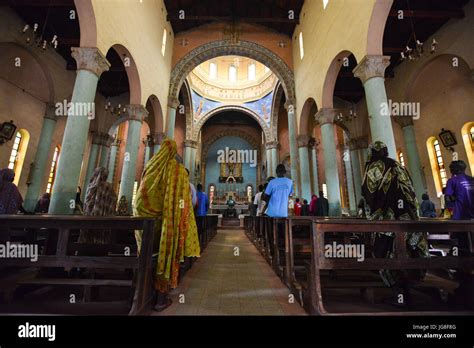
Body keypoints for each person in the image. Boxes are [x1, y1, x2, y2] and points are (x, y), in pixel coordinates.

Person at [134, 139, 200, 312]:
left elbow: (142, 194)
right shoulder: (177, 171)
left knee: (146, 253)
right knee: (165, 252)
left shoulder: (152, 165)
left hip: (142, 219)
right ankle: (160, 297)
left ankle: (141, 289)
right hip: (165, 222)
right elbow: (183, 202)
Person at [361, 141, 429, 306]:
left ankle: (398, 291)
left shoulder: (374, 167)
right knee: (409, 249)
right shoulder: (398, 165)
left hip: (387, 219)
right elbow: (410, 190)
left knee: (386, 250)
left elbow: (368, 194)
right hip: (408, 217)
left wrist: (369, 213)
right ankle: (409, 288)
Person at [444, 160, 474, 309]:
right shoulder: (471, 180)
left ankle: (464, 284)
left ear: (453, 169)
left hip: (460, 219)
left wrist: (451, 208)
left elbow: (448, 197)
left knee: (460, 248)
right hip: (472, 219)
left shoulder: (452, 180)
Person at [78, 167, 118, 244]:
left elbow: (86, 205)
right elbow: (112, 206)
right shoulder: (110, 187)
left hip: (89, 220)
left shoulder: (91, 186)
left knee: (87, 242)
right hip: (104, 221)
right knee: (100, 243)